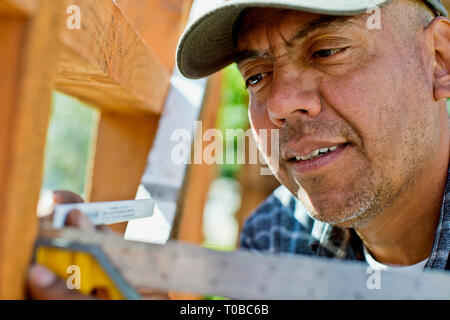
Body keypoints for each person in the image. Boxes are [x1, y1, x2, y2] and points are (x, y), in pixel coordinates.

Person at [28, 0, 450, 299]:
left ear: (439, 58)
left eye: (326, 51)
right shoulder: (277, 237)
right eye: (256, 76)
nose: (280, 103)